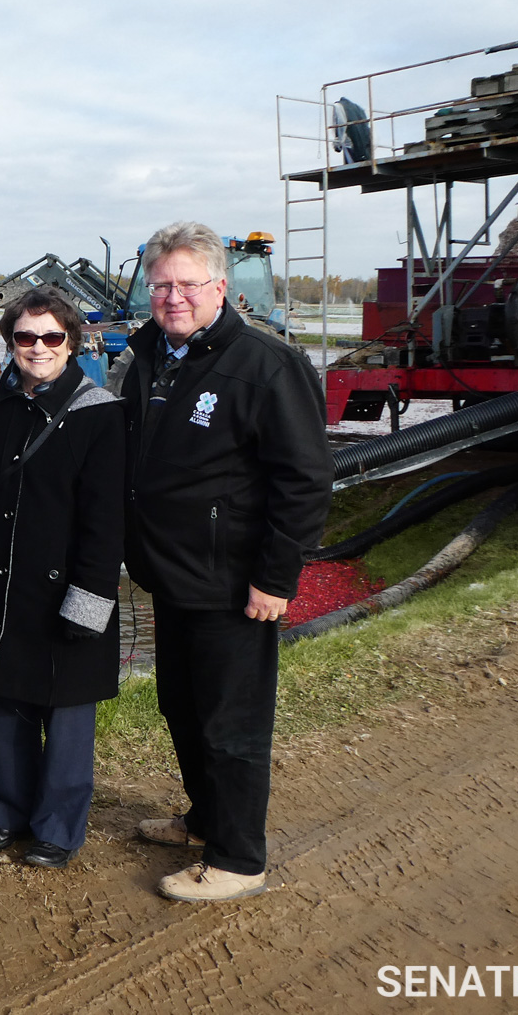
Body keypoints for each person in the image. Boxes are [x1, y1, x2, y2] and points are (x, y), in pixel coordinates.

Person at [121, 221, 332, 903]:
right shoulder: (150, 352)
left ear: (219, 287)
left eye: (186, 284)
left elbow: (302, 480)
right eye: (161, 285)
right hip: (171, 575)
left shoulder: (265, 366)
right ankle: (203, 818)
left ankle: (239, 856)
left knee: (230, 724)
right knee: (179, 704)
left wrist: (275, 577)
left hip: (232, 581)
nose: (172, 297)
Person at [0, 287, 124, 869]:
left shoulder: (100, 413)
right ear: (10, 342)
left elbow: (106, 518)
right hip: (2, 579)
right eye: (26, 337)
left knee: (67, 715)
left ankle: (58, 828)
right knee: (8, 704)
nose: (38, 347)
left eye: (52, 337)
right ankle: (8, 814)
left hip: (67, 585)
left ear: (71, 343)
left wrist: (90, 598)